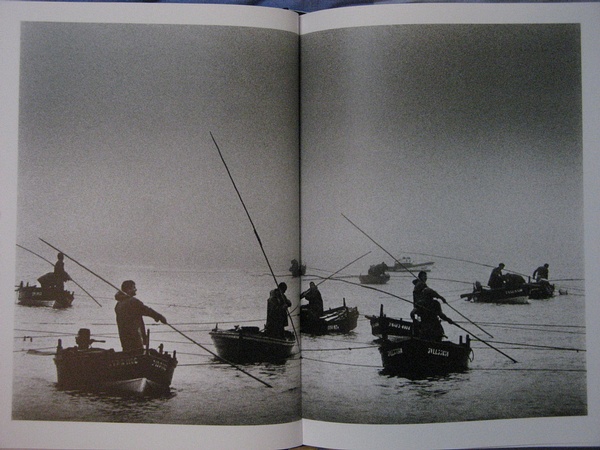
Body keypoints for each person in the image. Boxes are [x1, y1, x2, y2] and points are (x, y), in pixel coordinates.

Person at [114, 280, 167, 352]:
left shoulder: (118, 305)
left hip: (124, 337)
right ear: (128, 289)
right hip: (135, 336)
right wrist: (160, 317)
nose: (136, 289)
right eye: (134, 287)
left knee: (128, 353)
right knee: (138, 352)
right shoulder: (133, 302)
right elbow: (146, 310)